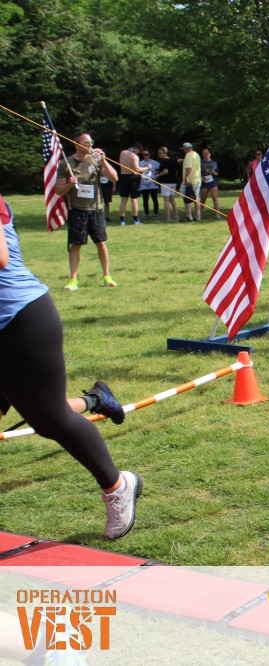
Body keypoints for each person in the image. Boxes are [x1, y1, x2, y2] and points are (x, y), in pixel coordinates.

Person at [0, 193, 141, 540]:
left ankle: (118, 486)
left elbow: (1, 258)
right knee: (41, 410)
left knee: (50, 419)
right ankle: (95, 400)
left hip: (19, 321)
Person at [54, 131, 119, 290]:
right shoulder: (66, 163)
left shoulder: (95, 160)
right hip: (77, 210)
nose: (90, 146)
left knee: (101, 243)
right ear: (77, 144)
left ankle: (107, 276)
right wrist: (69, 184)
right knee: (75, 245)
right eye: (86, 143)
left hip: (95, 209)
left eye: (91, 143)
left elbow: (114, 178)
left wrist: (103, 160)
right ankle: (73, 280)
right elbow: (58, 190)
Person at [117, 142, 147, 225]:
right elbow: (137, 169)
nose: (138, 153)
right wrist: (146, 168)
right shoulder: (134, 156)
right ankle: (136, 220)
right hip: (132, 178)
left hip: (123, 176)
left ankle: (122, 220)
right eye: (139, 151)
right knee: (134, 199)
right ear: (137, 149)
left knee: (123, 200)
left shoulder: (122, 152)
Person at [156, 146, 180, 222]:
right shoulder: (174, 160)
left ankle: (168, 217)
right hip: (173, 182)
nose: (159, 154)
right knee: (172, 199)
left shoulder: (164, 161)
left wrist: (157, 175)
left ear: (164, 153)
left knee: (166, 200)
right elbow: (177, 171)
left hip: (166, 182)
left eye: (160, 153)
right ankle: (176, 216)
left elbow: (165, 171)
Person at [199, 147, 222, 220]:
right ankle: (199, 214)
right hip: (204, 182)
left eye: (207, 153)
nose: (205, 154)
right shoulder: (200, 162)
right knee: (203, 199)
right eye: (204, 153)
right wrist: (202, 179)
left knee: (215, 198)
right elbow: (198, 173)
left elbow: (217, 173)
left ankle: (217, 214)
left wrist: (213, 172)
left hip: (213, 182)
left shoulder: (214, 163)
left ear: (210, 154)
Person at [181, 141, 202, 221]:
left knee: (187, 198)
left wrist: (186, 177)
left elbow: (189, 167)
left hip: (190, 181)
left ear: (186, 149)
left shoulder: (188, 155)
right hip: (197, 180)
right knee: (196, 198)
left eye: (184, 149)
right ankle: (198, 216)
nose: (183, 151)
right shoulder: (197, 155)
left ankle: (189, 216)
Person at [138, 148, 160, 221]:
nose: (145, 156)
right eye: (144, 154)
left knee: (155, 199)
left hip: (153, 184)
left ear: (150, 155)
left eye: (147, 154)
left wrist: (157, 176)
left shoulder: (154, 163)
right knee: (145, 200)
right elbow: (137, 171)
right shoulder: (140, 163)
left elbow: (161, 168)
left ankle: (155, 214)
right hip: (144, 184)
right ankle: (146, 214)